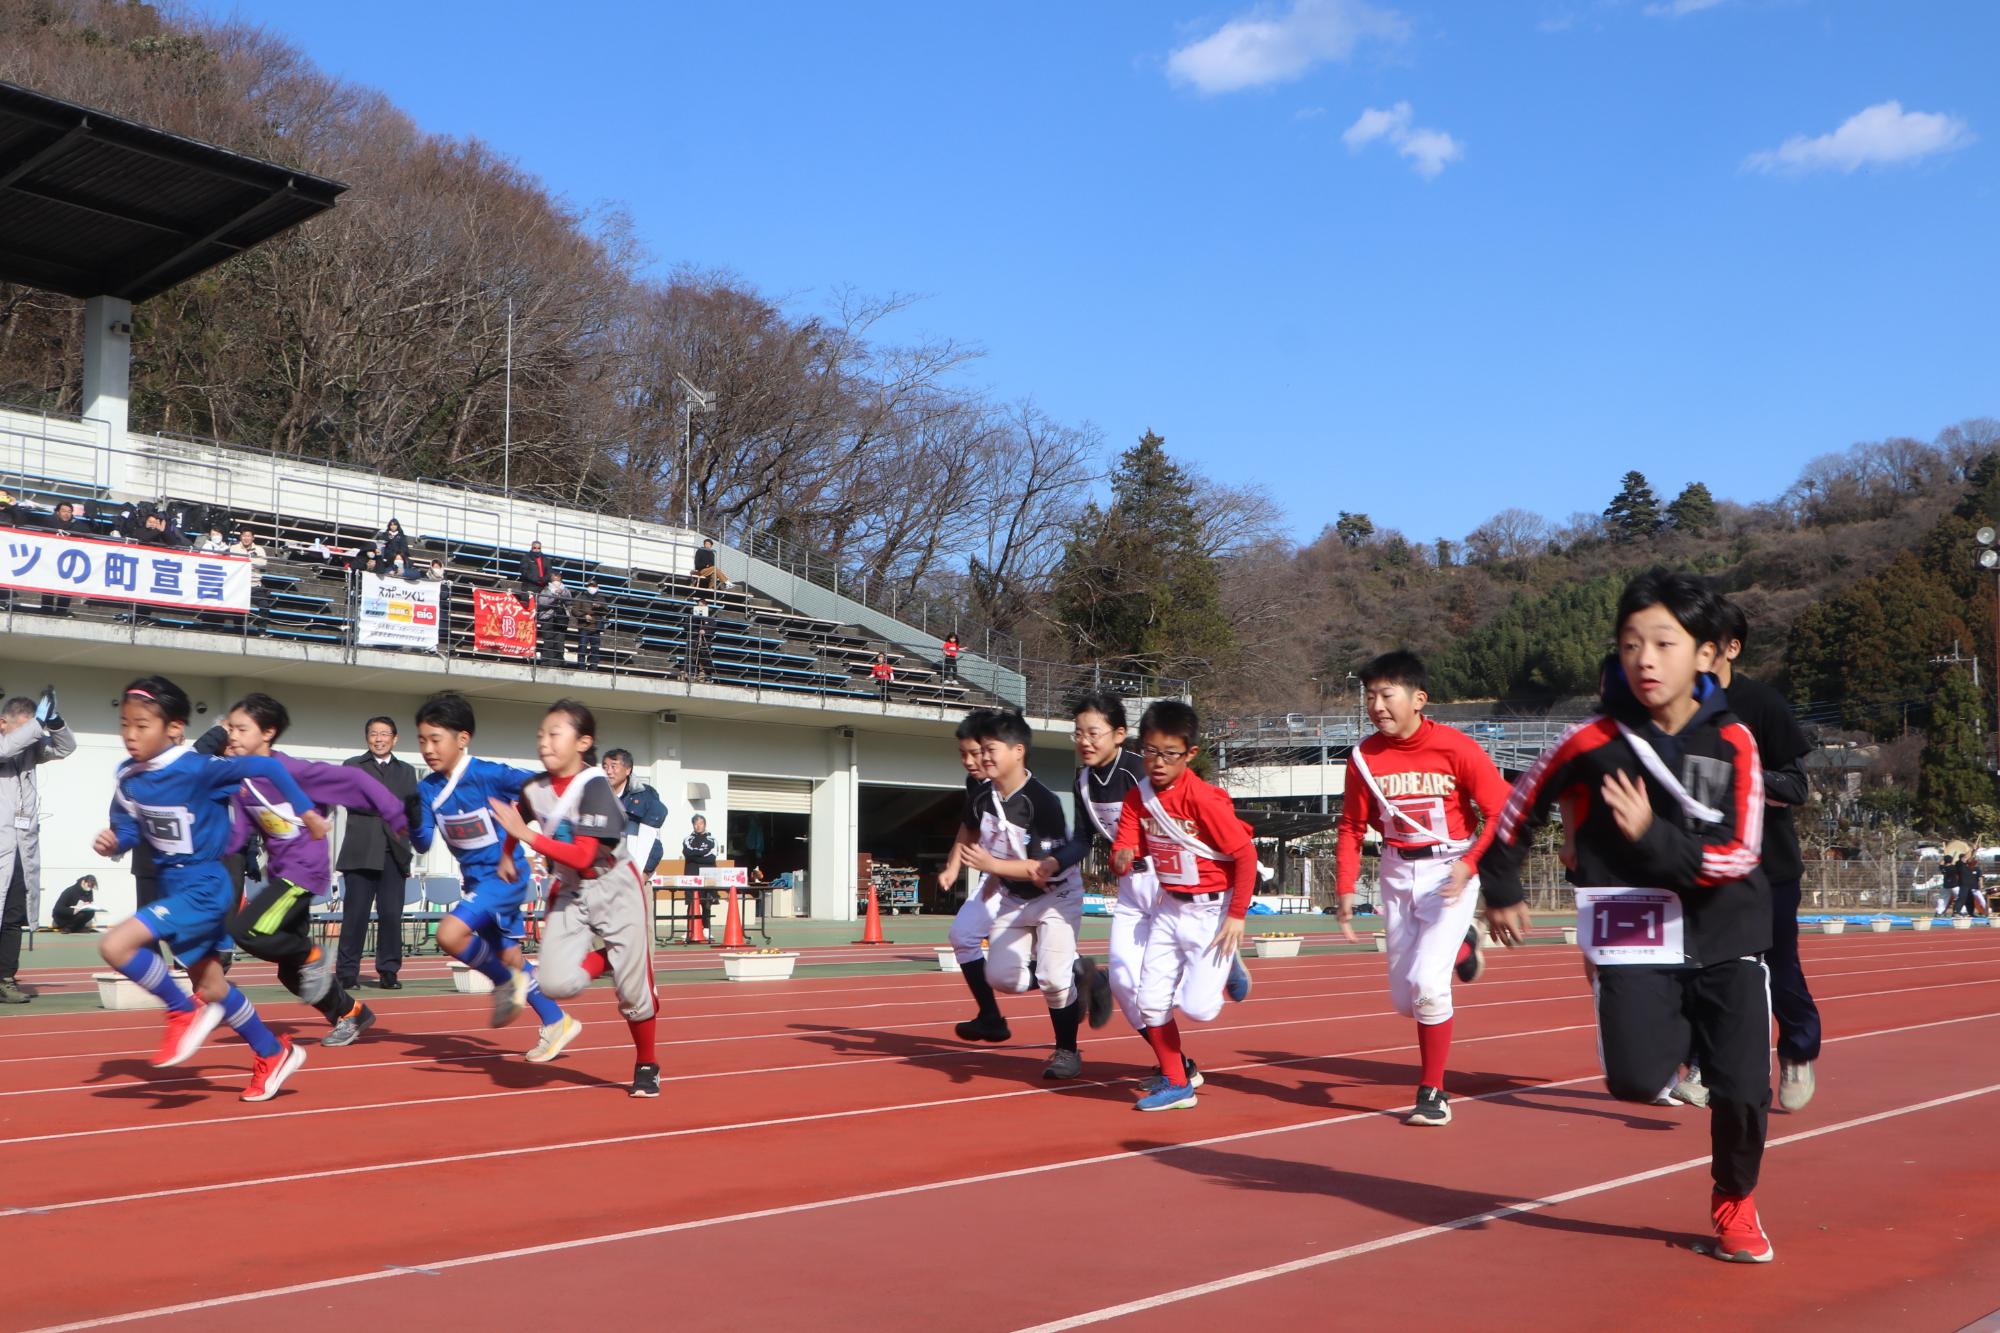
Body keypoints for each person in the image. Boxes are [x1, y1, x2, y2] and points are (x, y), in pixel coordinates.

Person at [1480, 568, 1776, 1264]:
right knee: (1637, 1080)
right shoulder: (1590, 741)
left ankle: (1735, 1199)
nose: (1644, 658)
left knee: (1741, 1090)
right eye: (1630, 642)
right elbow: (1516, 810)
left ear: (1707, 653)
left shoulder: (1733, 740)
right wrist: (1503, 884)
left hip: (1727, 930)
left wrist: (1651, 836)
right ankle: (1645, 1018)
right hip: (1636, 928)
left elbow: (1739, 852)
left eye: (1664, 643)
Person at [92, 675, 324, 1101]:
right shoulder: (127, 777)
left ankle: (182, 1011)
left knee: (116, 946)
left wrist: (306, 812)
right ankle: (272, 1052)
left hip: (205, 886)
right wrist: (115, 842)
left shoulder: (200, 769)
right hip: (171, 887)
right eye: (124, 723)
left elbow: (269, 766)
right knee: (213, 986)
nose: (130, 734)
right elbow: (127, 827)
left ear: (174, 728)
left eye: (142, 725)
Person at [1332, 650, 1512, 1127]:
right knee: (1403, 999)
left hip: (1449, 871)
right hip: (1394, 871)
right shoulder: (1363, 757)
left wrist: (1471, 864)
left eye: (1386, 695)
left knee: (1429, 989)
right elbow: (1351, 826)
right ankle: (1462, 947)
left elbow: (1500, 810)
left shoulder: (1457, 747)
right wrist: (1346, 887)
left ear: (1419, 699)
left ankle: (1432, 1091)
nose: (1376, 705)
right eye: (1369, 696)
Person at [487, 700, 661, 1097]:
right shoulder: (534, 787)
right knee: (553, 982)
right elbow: (520, 816)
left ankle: (647, 1063)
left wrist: (525, 837)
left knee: (636, 994)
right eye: (540, 735)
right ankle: (614, 960)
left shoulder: (595, 787)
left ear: (584, 742)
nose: (544, 743)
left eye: (554, 734)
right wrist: (505, 856)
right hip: (568, 888)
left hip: (615, 884)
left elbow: (584, 854)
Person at [222, 694, 408, 1047]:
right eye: (230, 727)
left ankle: (313, 955)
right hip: (281, 873)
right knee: (291, 974)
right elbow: (241, 833)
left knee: (245, 930)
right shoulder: (242, 781)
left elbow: (357, 781)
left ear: (268, 732)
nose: (231, 735)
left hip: (304, 871)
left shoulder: (295, 771)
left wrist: (397, 815)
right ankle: (350, 1013)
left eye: (241, 728)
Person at [409, 692, 578, 1061]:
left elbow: (541, 791)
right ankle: (557, 1020)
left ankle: (505, 984)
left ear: (463, 738)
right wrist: (404, 815)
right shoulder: (426, 788)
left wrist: (539, 841)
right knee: (512, 957)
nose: (428, 748)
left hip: (504, 879)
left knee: (449, 934)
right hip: (474, 884)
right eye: (421, 740)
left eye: (436, 739)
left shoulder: (488, 774)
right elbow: (422, 842)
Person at [1111, 700, 1259, 1112]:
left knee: (1199, 1009)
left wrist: (1237, 917)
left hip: (1213, 913)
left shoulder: (1204, 800)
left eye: (1169, 753)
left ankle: (1229, 965)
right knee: (1150, 1001)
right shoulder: (1137, 797)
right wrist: (1121, 855)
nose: (1158, 762)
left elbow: (1245, 856)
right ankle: (1178, 1083)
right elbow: (1125, 842)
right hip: (1168, 907)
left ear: (1190, 753)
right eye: (1151, 751)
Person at [958, 710, 1112, 1080]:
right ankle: (1083, 977)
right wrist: (962, 865)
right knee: (1002, 979)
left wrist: (989, 864)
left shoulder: (1041, 802)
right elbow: (968, 832)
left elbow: (1039, 869)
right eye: (980, 751)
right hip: (1013, 899)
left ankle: (1067, 1052)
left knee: (1052, 979)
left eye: (990, 749)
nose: (983, 758)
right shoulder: (980, 794)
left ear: (1018, 752)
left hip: (1055, 897)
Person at [1711, 599, 1820, 1112]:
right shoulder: (1671, 707)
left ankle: (1797, 1051)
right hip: (1701, 865)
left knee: (1778, 966)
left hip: (1767, 866)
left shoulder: (1763, 704)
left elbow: (1797, 786)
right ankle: (1701, 1064)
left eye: (1704, 643)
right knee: (1702, 967)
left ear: (1731, 648)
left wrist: (1741, 774)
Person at [0, 690, 77, 1004]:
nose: (32, 737)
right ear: (3, 724)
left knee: (13, 915)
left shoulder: (30, 751)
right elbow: (6, 750)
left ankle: (5, 978)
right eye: (26, 729)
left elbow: (66, 746)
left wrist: (54, 722)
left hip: (20, 849)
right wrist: (37, 724)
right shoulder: (5, 746)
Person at [335, 716, 422, 992]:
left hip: (394, 853)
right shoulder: (352, 766)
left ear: (395, 739)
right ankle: (347, 973)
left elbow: (411, 810)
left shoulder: (407, 771)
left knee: (391, 916)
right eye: (374, 734)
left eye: (385, 734)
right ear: (366, 738)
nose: (379, 739)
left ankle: (388, 971)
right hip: (360, 851)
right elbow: (351, 800)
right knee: (355, 916)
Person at [939, 710, 1009, 1040]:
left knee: (1017, 970)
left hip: (1028, 882)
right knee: (963, 936)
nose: (968, 761)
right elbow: (968, 827)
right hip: (994, 880)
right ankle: (991, 1016)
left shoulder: (1013, 785)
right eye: (962, 754)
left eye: (975, 752)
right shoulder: (976, 784)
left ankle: (1082, 975)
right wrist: (953, 866)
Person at [603, 749, 668, 877]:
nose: (608, 771)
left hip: (635, 876)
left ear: (628, 770)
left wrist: (644, 874)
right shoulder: (599, 796)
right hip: (606, 877)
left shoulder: (644, 797)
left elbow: (654, 842)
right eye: (605, 767)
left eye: (613, 766)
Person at [38, 501, 87, 613]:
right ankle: (46, 608)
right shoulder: (49, 520)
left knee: (66, 586)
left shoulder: (77, 524)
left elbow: (85, 531)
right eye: (64, 511)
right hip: (51, 558)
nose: (66, 514)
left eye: (69, 512)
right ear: (57, 512)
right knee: (48, 584)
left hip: (68, 561)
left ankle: (62, 610)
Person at [537, 574, 572, 666]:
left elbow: (569, 600)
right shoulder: (546, 590)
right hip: (548, 617)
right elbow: (542, 602)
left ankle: (559, 662)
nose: (556, 581)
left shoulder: (565, 590)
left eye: (558, 579)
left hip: (561, 618)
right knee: (548, 640)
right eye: (554, 579)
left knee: (560, 641)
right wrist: (554, 597)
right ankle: (547, 661)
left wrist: (561, 593)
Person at [573, 578, 607, 671]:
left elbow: (606, 611)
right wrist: (584, 616)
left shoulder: (601, 599)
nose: (591, 588)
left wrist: (599, 607)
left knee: (595, 649)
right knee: (582, 648)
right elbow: (574, 610)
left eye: (593, 586)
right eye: (590, 586)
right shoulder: (581, 597)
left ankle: (594, 666)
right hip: (584, 627)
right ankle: (581, 666)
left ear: (597, 587)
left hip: (596, 627)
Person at [687, 597, 713, 679]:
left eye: (702, 606)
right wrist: (696, 621)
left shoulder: (710, 619)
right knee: (691, 654)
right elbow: (686, 626)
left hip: (705, 640)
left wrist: (705, 631)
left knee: (704, 655)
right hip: (694, 638)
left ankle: (704, 673)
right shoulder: (692, 617)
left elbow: (713, 629)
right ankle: (689, 673)